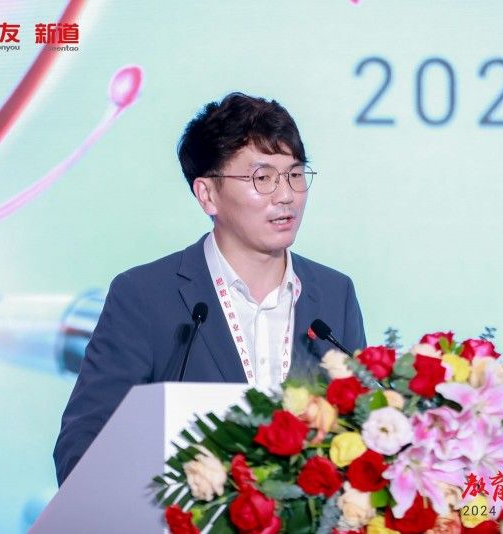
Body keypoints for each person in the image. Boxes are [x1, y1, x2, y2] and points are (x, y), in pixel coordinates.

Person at [53, 93, 366, 486]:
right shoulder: (145, 296)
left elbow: (362, 432)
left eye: (295, 174)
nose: (286, 194)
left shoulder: (334, 294)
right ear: (207, 195)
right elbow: (84, 446)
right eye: (263, 178)